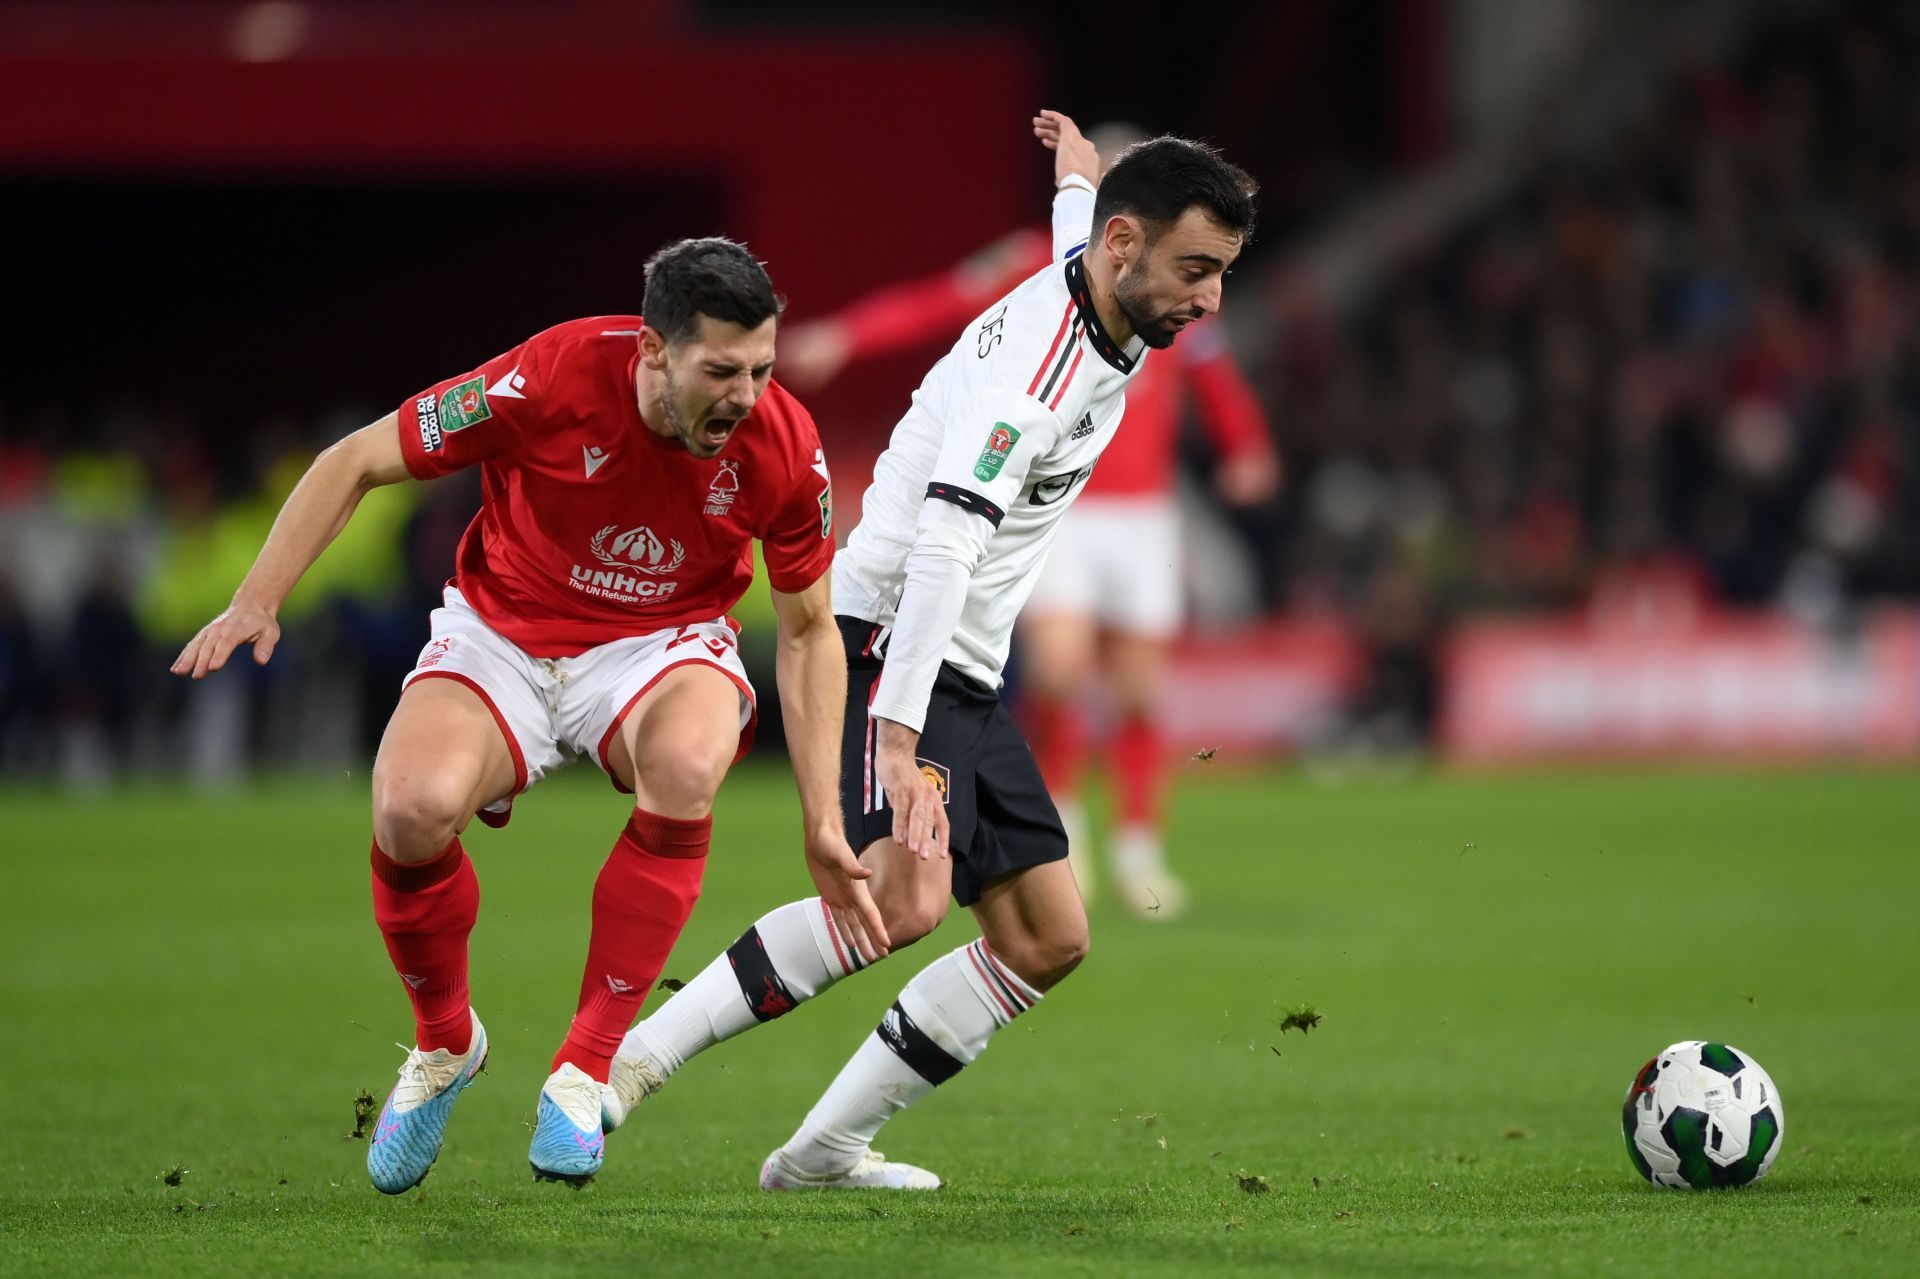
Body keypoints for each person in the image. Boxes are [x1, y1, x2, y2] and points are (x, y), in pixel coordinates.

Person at [598, 111, 1258, 1190]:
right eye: (1197, 269)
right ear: (1131, 249)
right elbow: (949, 544)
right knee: (897, 900)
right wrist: (897, 739)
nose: (1211, 298)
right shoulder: (1033, 384)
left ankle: (821, 1152)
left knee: (1048, 935)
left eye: (1223, 273)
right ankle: (625, 1067)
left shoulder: (1101, 285)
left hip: (961, 664)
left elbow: (1075, 238)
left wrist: (1075, 175)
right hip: (893, 640)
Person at [169, 238, 886, 1193]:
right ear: (653, 351)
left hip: (661, 642)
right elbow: (357, 460)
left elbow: (806, 632)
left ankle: (585, 1067)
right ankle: (444, 1045)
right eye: (720, 370)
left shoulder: (784, 445)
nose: (745, 395)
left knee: (686, 761)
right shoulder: (546, 377)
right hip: (505, 628)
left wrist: (823, 818)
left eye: (759, 368)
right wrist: (258, 598)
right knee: (408, 809)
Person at [781, 125, 1279, 920]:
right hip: (1050, 509)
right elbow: (935, 300)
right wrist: (848, 335)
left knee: (1142, 690)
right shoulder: (1047, 267)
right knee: (1059, 674)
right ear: (1120, 225)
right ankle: (1069, 827)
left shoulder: (1180, 284)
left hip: (1145, 515)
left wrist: (1246, 444)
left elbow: (1214, 370)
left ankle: (1141, 849)